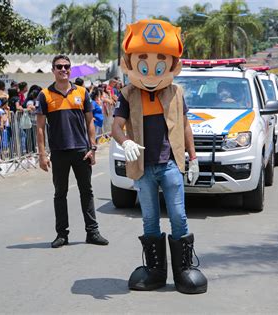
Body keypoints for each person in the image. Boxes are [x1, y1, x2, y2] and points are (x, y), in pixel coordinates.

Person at [112, 19, 207, 294]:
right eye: (144, 66)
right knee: (149, 220)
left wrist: (194, 157)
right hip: (143, 167)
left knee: (179, 216)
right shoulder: (128, 94)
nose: (152, 73)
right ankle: (155, 270)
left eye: (159, 65)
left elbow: (186, 125)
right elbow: (116, 126)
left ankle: (184, 269)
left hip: (169, 165)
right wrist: (125, 141)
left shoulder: (176, 92)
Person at [36, 54, 108, 249]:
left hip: (81, 151)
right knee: (60, 194)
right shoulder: (45, 95)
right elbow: (40, 127)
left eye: (66, 66)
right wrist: (42, 155)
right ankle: (62, 234)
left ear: (70, 69)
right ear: (53, 70)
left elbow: (90, 122)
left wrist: (93, 148)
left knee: (87, 192)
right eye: (59, 66)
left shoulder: (83, 93)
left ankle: (92, 232)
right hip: (59, 152)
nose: (63, 70)